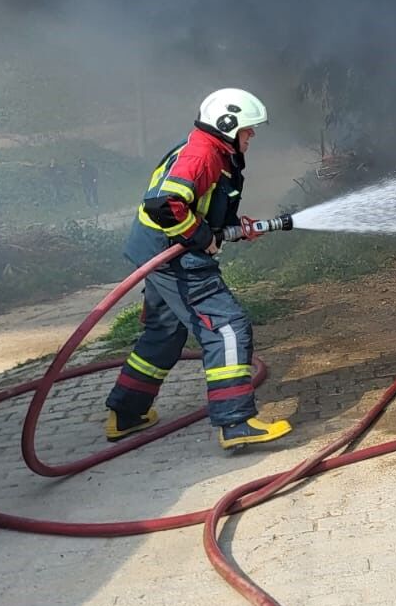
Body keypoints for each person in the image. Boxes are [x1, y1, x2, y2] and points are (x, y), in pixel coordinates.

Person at [103, 89, 291, 449]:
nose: (252, 136)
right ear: (227, 125)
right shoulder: (202, 153)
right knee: (227, 327)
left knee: (166, 330)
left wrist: (233, 226)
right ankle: (236, 423)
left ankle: (126, 414)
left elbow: (202, 200)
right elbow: (164, 204)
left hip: (157, 250)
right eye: (248, 130)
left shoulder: (214, 151)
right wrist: (201, 236)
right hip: (172, 254)